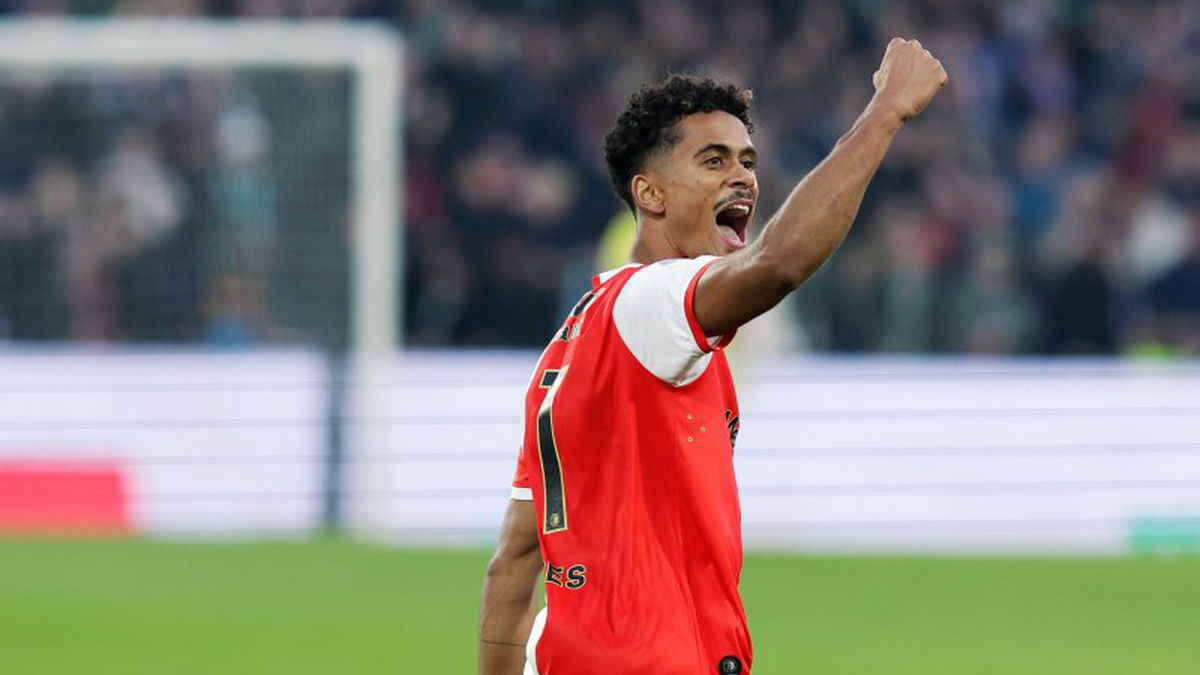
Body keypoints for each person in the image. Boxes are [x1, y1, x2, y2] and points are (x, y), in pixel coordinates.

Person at [478, 38, 947, 675]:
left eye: (747, 160)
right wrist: (886, 111)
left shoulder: (568, 348)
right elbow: (778, 264)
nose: (743, 176)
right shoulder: (651, 303)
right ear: (650, 194)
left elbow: (513, 559)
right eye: (713, 160)